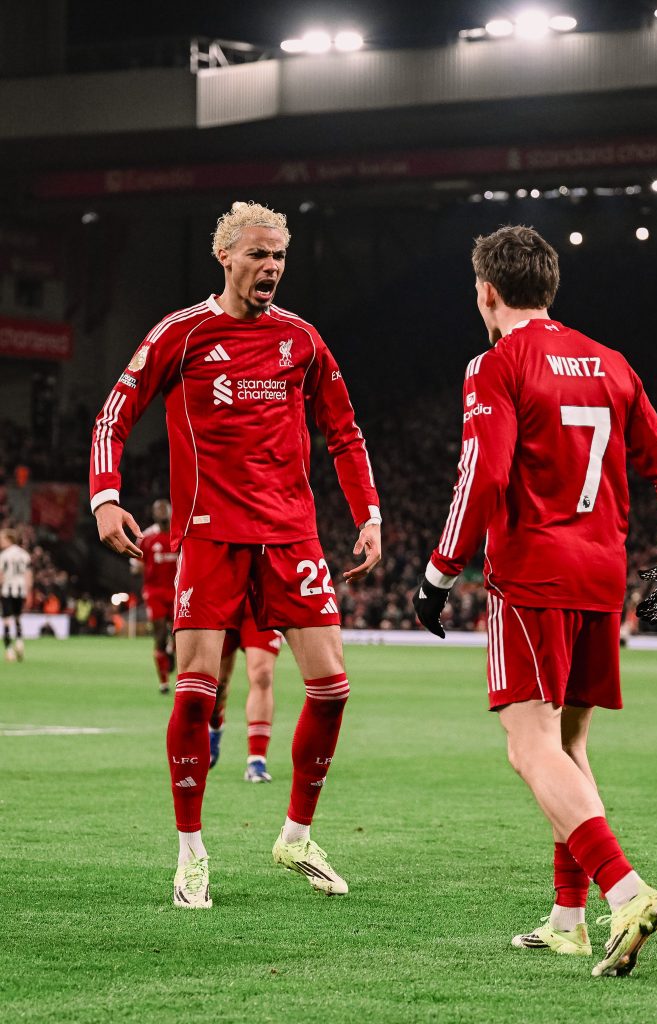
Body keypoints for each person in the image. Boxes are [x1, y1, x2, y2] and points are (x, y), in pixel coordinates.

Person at [412, 225, 657, 978]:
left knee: (527, 745)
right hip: (601, 576)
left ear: (485, 292)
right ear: (550, 288)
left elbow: (485, 476)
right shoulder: (611, 363)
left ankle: (624, 889)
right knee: (568, 747)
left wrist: (439, 573)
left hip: (531, 575)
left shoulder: (496, 364)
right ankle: (568, 920)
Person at [90, 201, 381, 909]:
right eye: (258, 255)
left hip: (291, 533)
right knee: (196, 690)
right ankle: (190, 852)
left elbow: (343, 430)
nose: (271, 267)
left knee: (332, 687)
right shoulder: (180, 334)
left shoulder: (302, 341)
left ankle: (296, 836)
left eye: (279, 256)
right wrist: (105, 496)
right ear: (225, 257)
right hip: (212, 532)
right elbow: (114, 414)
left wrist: (368, 515)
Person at [209, 597, 283, 783]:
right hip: (221, 596)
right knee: (215, 682)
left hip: (262, 598)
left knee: (262, 675)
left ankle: (256, 759)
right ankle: (215, 727)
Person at [131, 499, 177, 694]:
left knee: (180, 633)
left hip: (179, 591)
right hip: (155, 592)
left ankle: (172, 651)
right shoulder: (147, 537)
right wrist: (146, 566)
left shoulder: (181, 533)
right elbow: (136, 566)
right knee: (159, 634)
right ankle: (164, 682)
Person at [0, 529, 33, 662]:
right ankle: (19, 641)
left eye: (2, 539)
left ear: (9, 540)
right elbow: (29, 576)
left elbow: (1, 576)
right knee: (18, 617)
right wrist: (28, 591)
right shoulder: (25, 555)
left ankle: (9, 650)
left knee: (7, 620)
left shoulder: (4, 555)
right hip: (21, 590)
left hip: (7, 590)